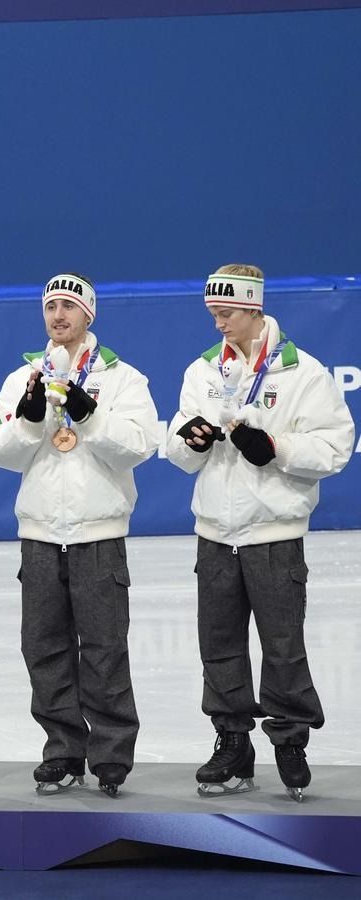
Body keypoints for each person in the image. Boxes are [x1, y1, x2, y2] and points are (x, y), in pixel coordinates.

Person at [167, 264, 353, 801]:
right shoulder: (202, 370)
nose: (219, 323)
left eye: (226, 313)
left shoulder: (303, 373)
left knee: (283, 646)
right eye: (213, 314)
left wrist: (276, 448)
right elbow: (176, 447)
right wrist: (190, 441)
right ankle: (232, 741)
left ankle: (290, 742)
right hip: (215, 532)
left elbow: (336, 446)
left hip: (274, 532)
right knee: (218, 644)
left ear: (253, 308)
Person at [0, 273, 159, 797]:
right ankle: (62, 750)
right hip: (40, 533)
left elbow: (141, 446)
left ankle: (110, 756)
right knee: (43, 648)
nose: (58, 315)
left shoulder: (123, 377)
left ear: (89, 314)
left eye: (68, 306)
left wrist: (90, 415)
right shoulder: (23, 379)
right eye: (50, 306)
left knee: (104, 648)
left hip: (98, 533)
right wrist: (29, 420)